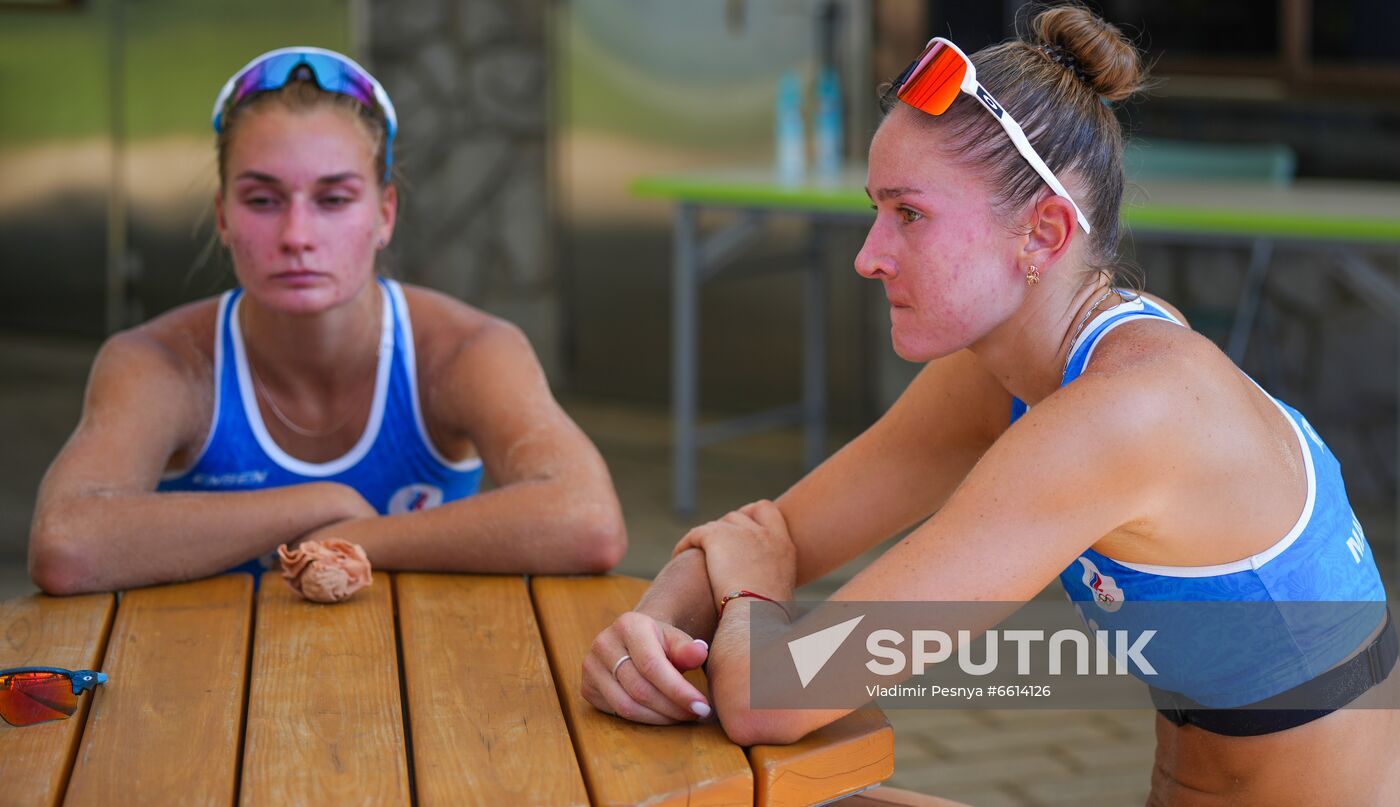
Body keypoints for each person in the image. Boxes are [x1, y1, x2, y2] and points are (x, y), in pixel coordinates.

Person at [581, 7, 1398, 804]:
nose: (869, 257)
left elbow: (777, 692)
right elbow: (779, 533)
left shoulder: (1125, 413)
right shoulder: (1019, 367)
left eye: (909, 215)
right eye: (876, 210)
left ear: (1043, 233)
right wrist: (649, 631)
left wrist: (750, 598)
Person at [29, 47, 626, 594]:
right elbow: (66, 546)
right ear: (222, 216)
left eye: (334, 199)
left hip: (427, 690)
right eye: (262, 200)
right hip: (199, 696)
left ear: (385, 214)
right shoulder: (162, 362)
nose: (297, 237)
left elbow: (588, 521)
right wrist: (322, 500)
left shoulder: (464, 350)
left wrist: (357, 539)